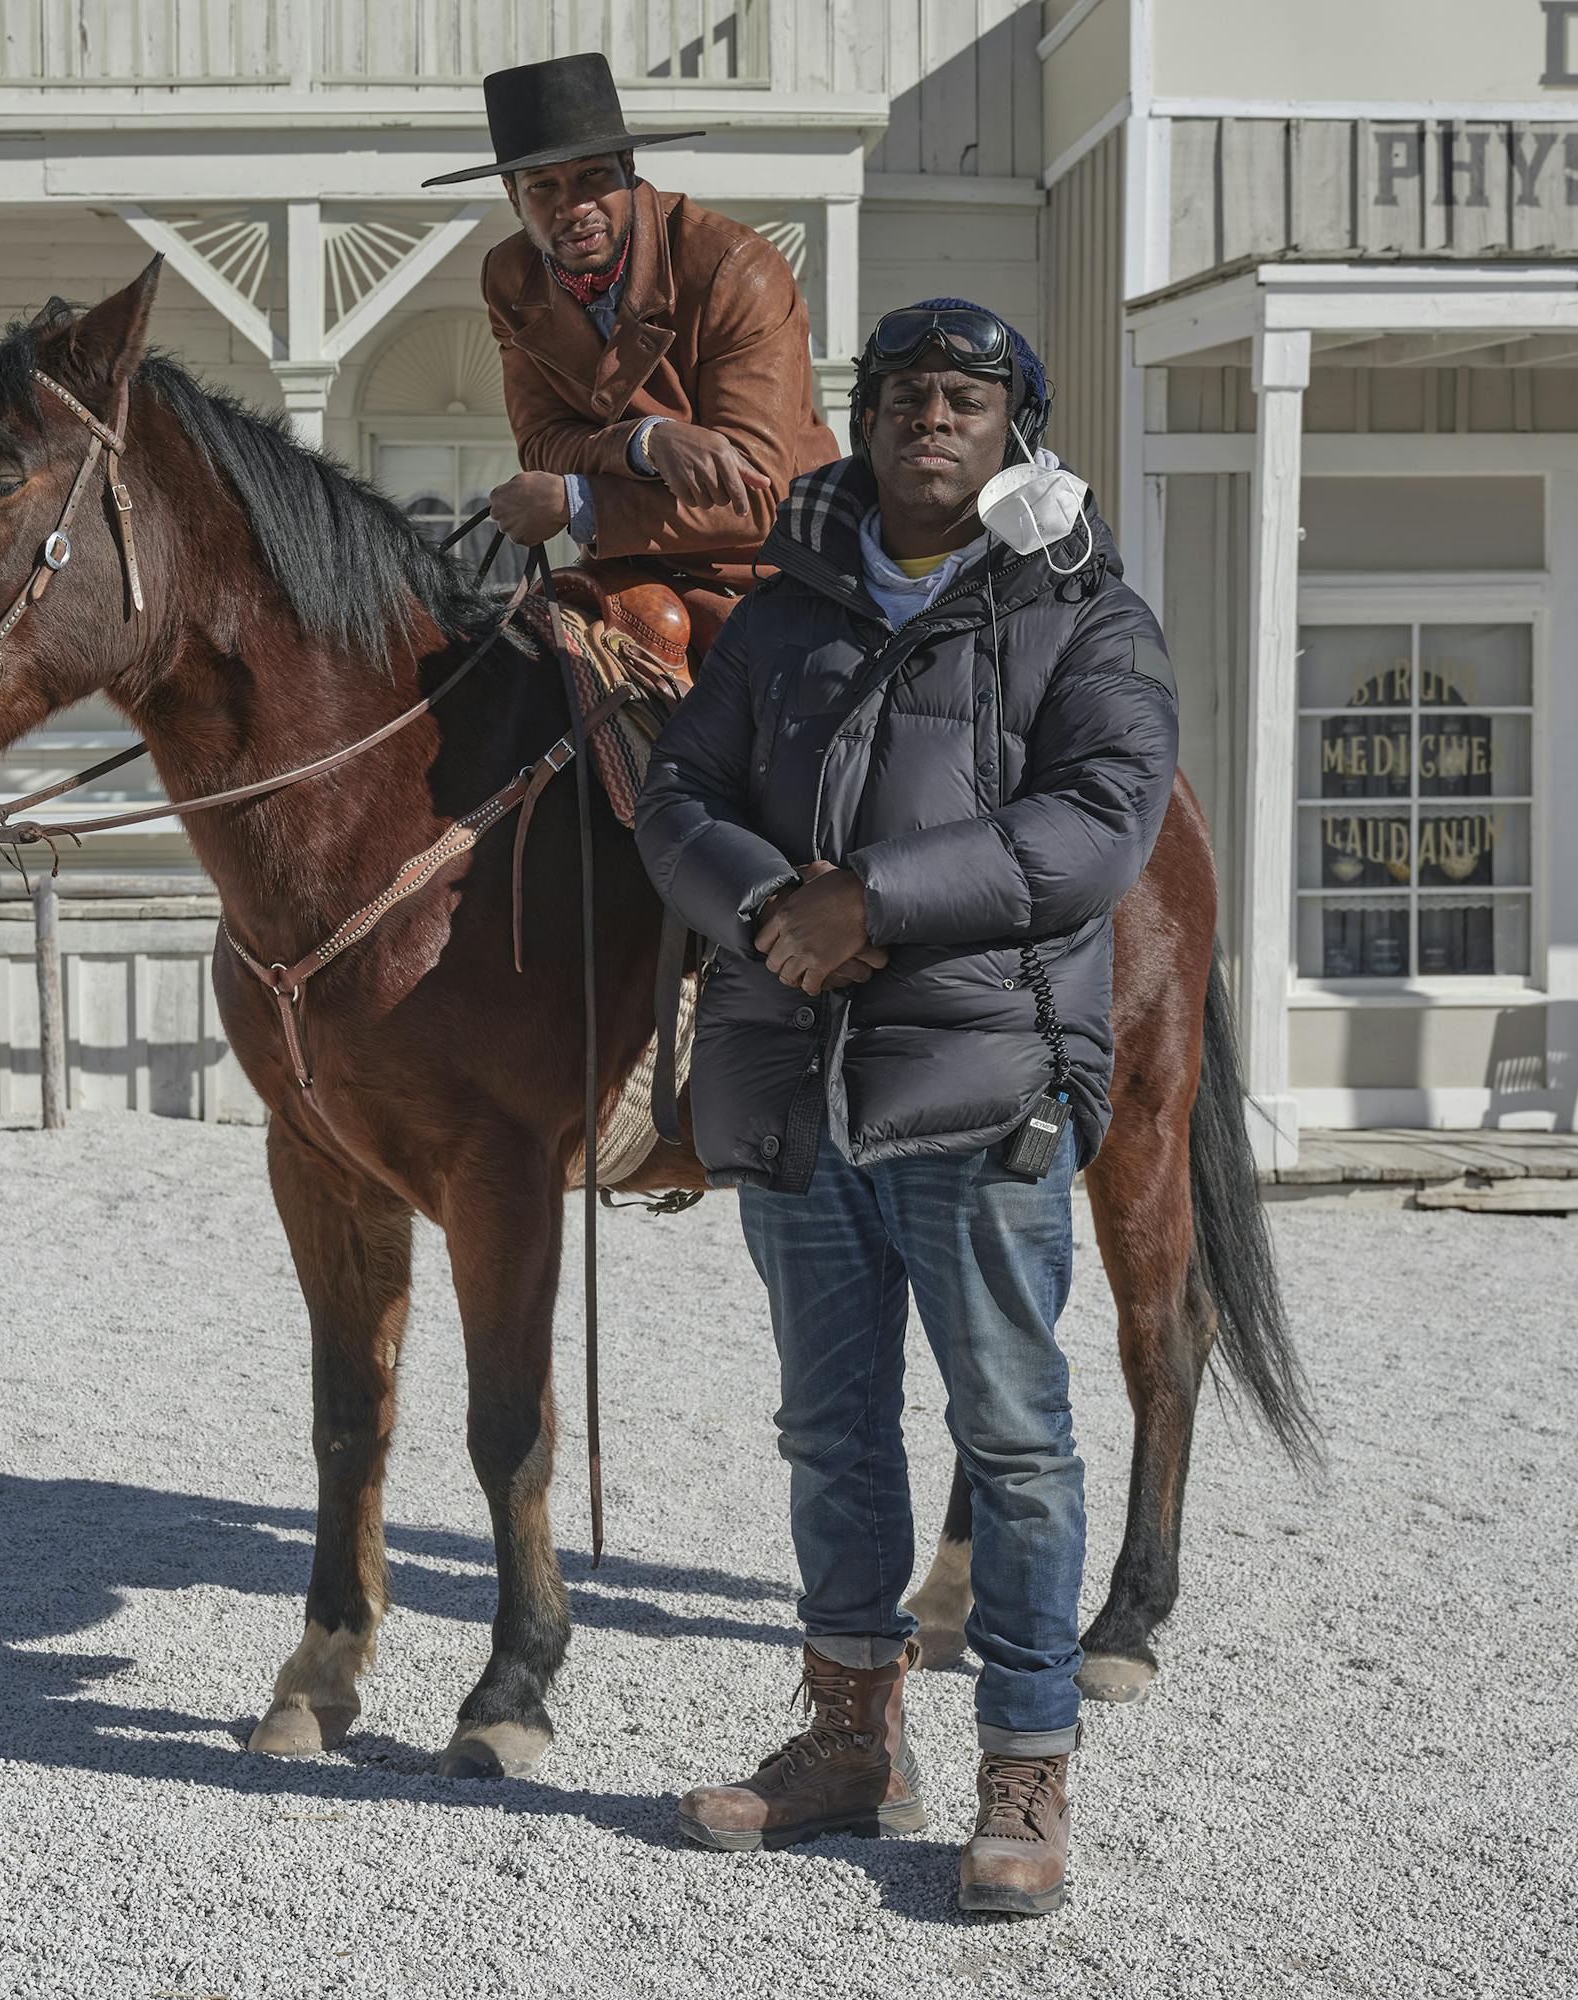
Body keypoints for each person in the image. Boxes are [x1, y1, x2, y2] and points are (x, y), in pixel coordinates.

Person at [631, 300, 1179, 1916]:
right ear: (862, 422)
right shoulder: (781, 617)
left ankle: (1023, 1759)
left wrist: (871, 901)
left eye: (963, 397)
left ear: (1015, 428)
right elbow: (679, 798)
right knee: (828, 1431)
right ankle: (850, 1739)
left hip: (978, 1082)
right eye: (898, 396)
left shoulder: (1085, 617)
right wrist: (759, 914)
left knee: (1011, 1442)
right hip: (801, 1090)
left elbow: (1094, 828)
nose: (926, 418)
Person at [425, 51, 837, 652]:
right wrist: (648, 442)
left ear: (628, 166)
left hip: (769, 574)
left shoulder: (735, 268)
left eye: (592, 176)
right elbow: (543, 442)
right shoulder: (507, 276)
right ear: (513, 198)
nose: (574, 209)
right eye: (543, 187)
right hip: (626, 568)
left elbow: (755, 496)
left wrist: (576, 499)